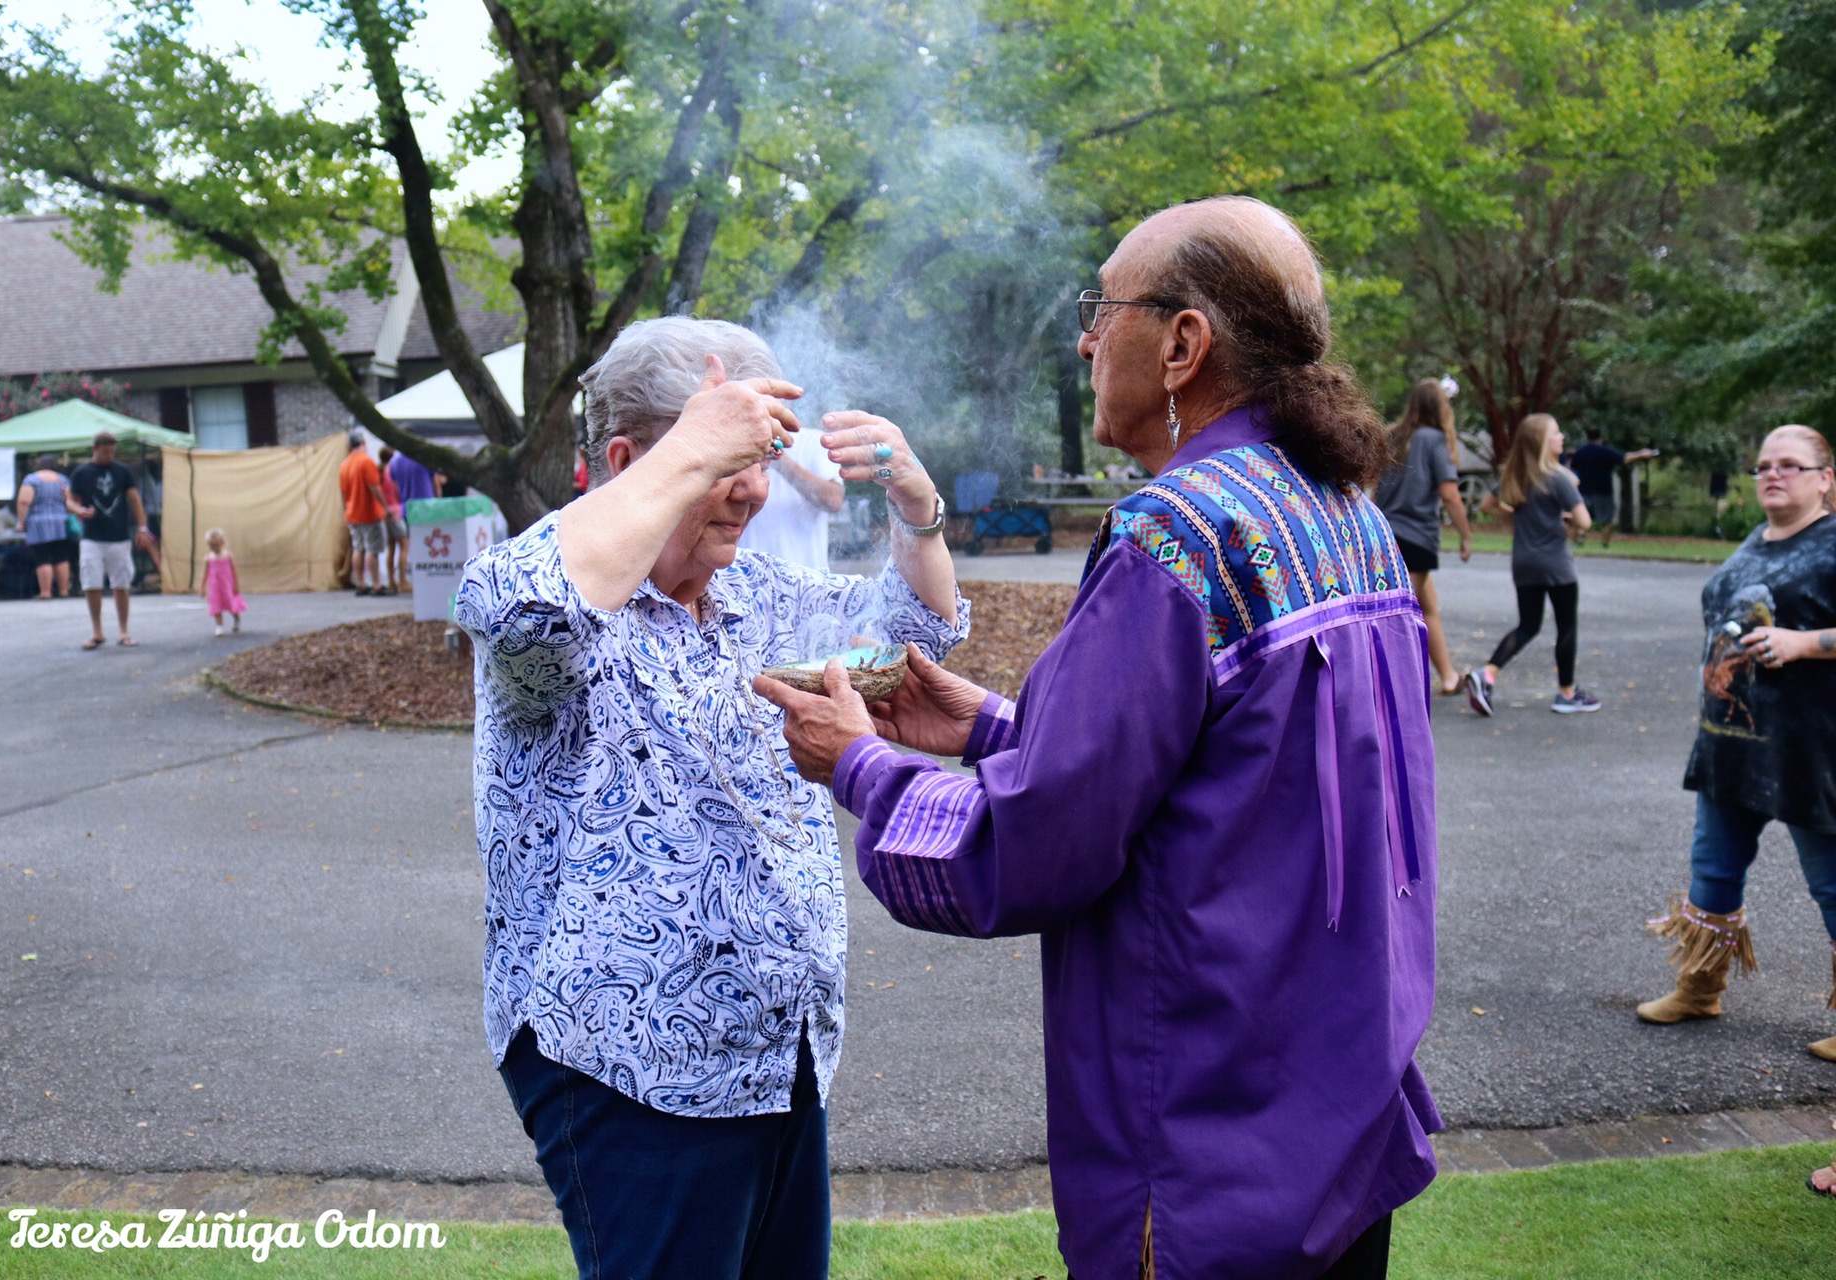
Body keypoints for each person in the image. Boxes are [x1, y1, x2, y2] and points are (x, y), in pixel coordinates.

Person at [759, 196, 1440, 1280]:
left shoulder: (1177, 530)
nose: (1085, 341)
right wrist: (990, 726)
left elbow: (1038, 844)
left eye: (1102, 309)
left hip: (1212, 1142)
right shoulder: (1343, 508)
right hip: (1335, 1109)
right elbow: (1227, 773)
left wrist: (860, 763)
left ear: (1183, 343)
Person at [452, 316, 967, 1280]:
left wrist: (917, 507)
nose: (755, 490)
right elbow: (521, 612)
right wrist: (692, 447)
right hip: (628, 1064)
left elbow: (911, 647)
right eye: (729, 460)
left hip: (779, 1053)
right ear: (627, 461)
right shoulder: (554, 598)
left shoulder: (755, 593)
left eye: (760, 459)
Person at [1633, 427, 1836, 1105]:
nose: (1773, 474)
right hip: (1731, 746)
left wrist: (1805, 642)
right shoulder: (1756, 541)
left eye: (1791, 465)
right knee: (1713, 872)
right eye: (1764, 466)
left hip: (1810, 751)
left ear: (1825, 478)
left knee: (1832, 885)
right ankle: (1700, 989)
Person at [1464, 413, 1598, 716]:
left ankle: (1487, 674)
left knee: (1528, 625)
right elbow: (1585, 521)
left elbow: (1487, 505)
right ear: (1542, 442)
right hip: (1556, 564)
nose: (1561, 438)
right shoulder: (1558, 478)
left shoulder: (1516, 476)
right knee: (1566, 627)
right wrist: (1567, 522)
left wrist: (1516, 517)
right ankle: (1567, 693)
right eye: (1556, 433)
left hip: (1524, 561)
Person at [1373, 378, 1473, 695]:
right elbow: (1450, 494)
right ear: (1440, 407)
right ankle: (1387, 687)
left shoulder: (1393, 436)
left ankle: (1448, 677)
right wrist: (1466, 536)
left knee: (1428, 608)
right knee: (1400, 617)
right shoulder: (1435, 439)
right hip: (1415, 536)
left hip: (1385, 534)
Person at [67, 431, 156, 649]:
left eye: (112, 452)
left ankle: (123, 631)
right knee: (91, 583)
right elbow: (70, 500)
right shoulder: (81, 473)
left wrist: (142, 528)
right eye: (105, 452)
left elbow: (134, 500)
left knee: (121, 584)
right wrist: (79, 510)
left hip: (119, 537)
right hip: (91, 537)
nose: (109, 455)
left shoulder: (122, 471)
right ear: (95, 449)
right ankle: (97, 631)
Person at [736, 421, 845, 572]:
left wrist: (779, 458)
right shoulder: (732, 441)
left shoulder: (814, 441)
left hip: (804, 580)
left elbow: (833, 500)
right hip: (743, 578)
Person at [1567, 426, 1656, 547]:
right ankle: (1604, 544)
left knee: (1583, 517)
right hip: (1603, 491)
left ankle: (1579, 539)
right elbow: (1624, 458)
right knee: (1606, 520)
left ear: (1587, 437)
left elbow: (1573, 466)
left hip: (1584, 490)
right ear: (1600, 437)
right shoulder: (1605, 451)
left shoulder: (1581, 451)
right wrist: (1641, 454)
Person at [14, 454, 74, 600]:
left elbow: (24, 501)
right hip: (61, 522)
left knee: (43, 557)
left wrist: (21, 521)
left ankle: (46, 592)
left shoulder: (32, 480)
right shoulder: (63, 480)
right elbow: (70, 501)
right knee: (61, 557)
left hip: (39, 523)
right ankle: (64, 591)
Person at [338, 432, 389, 596]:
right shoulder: (366, 461)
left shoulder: (344, 464)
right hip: (369, 513)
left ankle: (360, 583)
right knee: (372, 550)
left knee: (358, 548)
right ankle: (376, 585)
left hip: (352, 513)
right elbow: (374, 487)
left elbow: (343, 492)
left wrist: (346, 510)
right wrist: (385, 507)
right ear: (362, 443)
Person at [201, 527, 246, 636]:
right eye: (211, 546)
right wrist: (202, 588)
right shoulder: (208, 558)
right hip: (215, 587)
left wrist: (236, 585)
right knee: (216, 606)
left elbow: (234, 571)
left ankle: (236, 618)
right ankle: (219, 627)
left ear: (222, 543)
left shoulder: (228, 556)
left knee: (231, 605)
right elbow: (205, 574)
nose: (214, 548)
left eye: (216, 545)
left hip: (227, 586)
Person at [377, 446, 409, 592]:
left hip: (385, 514)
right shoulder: (390, 473)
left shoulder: (378, 473)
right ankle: (403, 580)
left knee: (391, 548)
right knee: (404, 545)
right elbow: (397, 491)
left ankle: (391, 580)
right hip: (395, 511)